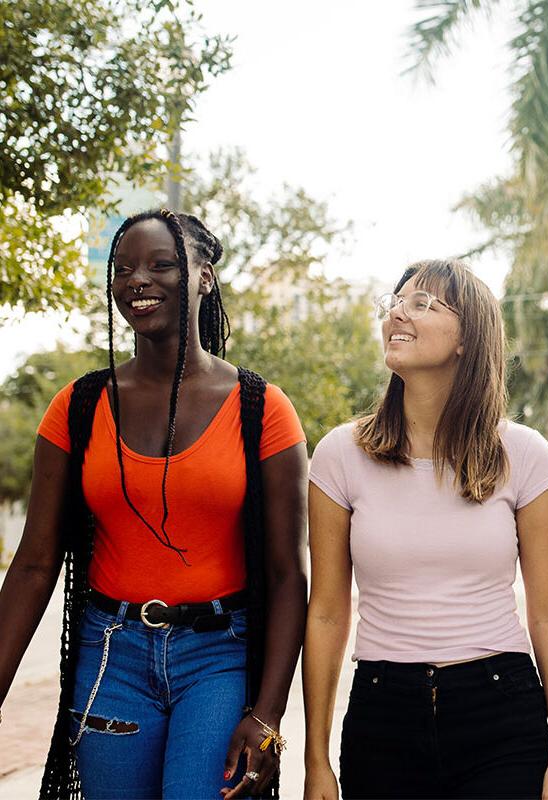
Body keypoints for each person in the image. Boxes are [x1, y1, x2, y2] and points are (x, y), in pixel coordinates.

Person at [0, 209, 308, 799]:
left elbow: (287, 574)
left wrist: (267, 716)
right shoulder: (78, 407)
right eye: (123, 269)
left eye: (161, 264)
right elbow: (36, 563)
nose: (137, 279)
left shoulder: (261, 409)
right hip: (110, 654)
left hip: (219, 657)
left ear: (204, 277)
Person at [302, 259, 548, 800]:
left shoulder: (522, 453)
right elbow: (328, 611)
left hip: (502, 711)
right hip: (383, 714)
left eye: (423, 303)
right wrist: (316, 761)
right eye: (396, 301)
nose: (397, 313)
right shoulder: (340, 454)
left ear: (466, 339)